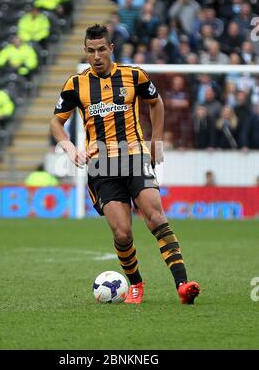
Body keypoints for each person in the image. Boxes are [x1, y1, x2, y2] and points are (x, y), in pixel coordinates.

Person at [50, 24, 200, 305]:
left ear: (111, 49)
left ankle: (182, 284)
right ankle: (136, 283)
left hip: (134, 155)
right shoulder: (76, 84)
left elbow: (156, 103)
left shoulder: (135, 75)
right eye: (91, 51)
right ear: (86, 51)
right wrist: (70, 148)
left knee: (155, 216)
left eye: (101, 50)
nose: (96, 56)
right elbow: (56, 122)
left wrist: (156, 141)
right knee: (122, 232)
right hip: (101, 165)